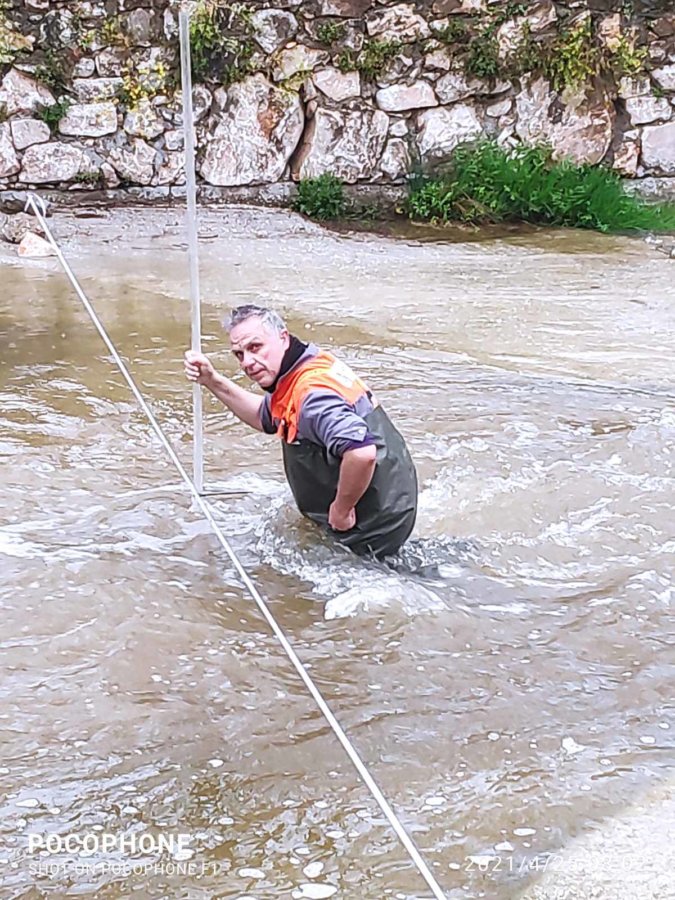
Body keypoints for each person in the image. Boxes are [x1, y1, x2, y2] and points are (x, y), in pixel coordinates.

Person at [184, 305, 417, 560]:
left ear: (283, 337)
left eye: (255, 347)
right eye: (239, 354)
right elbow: (266, 417)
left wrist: (341, 509)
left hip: (370, 527)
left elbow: (361, 453)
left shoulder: (312, 396)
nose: (247, 362)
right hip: (392, 504)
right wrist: (212, 381)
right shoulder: (305, 366)